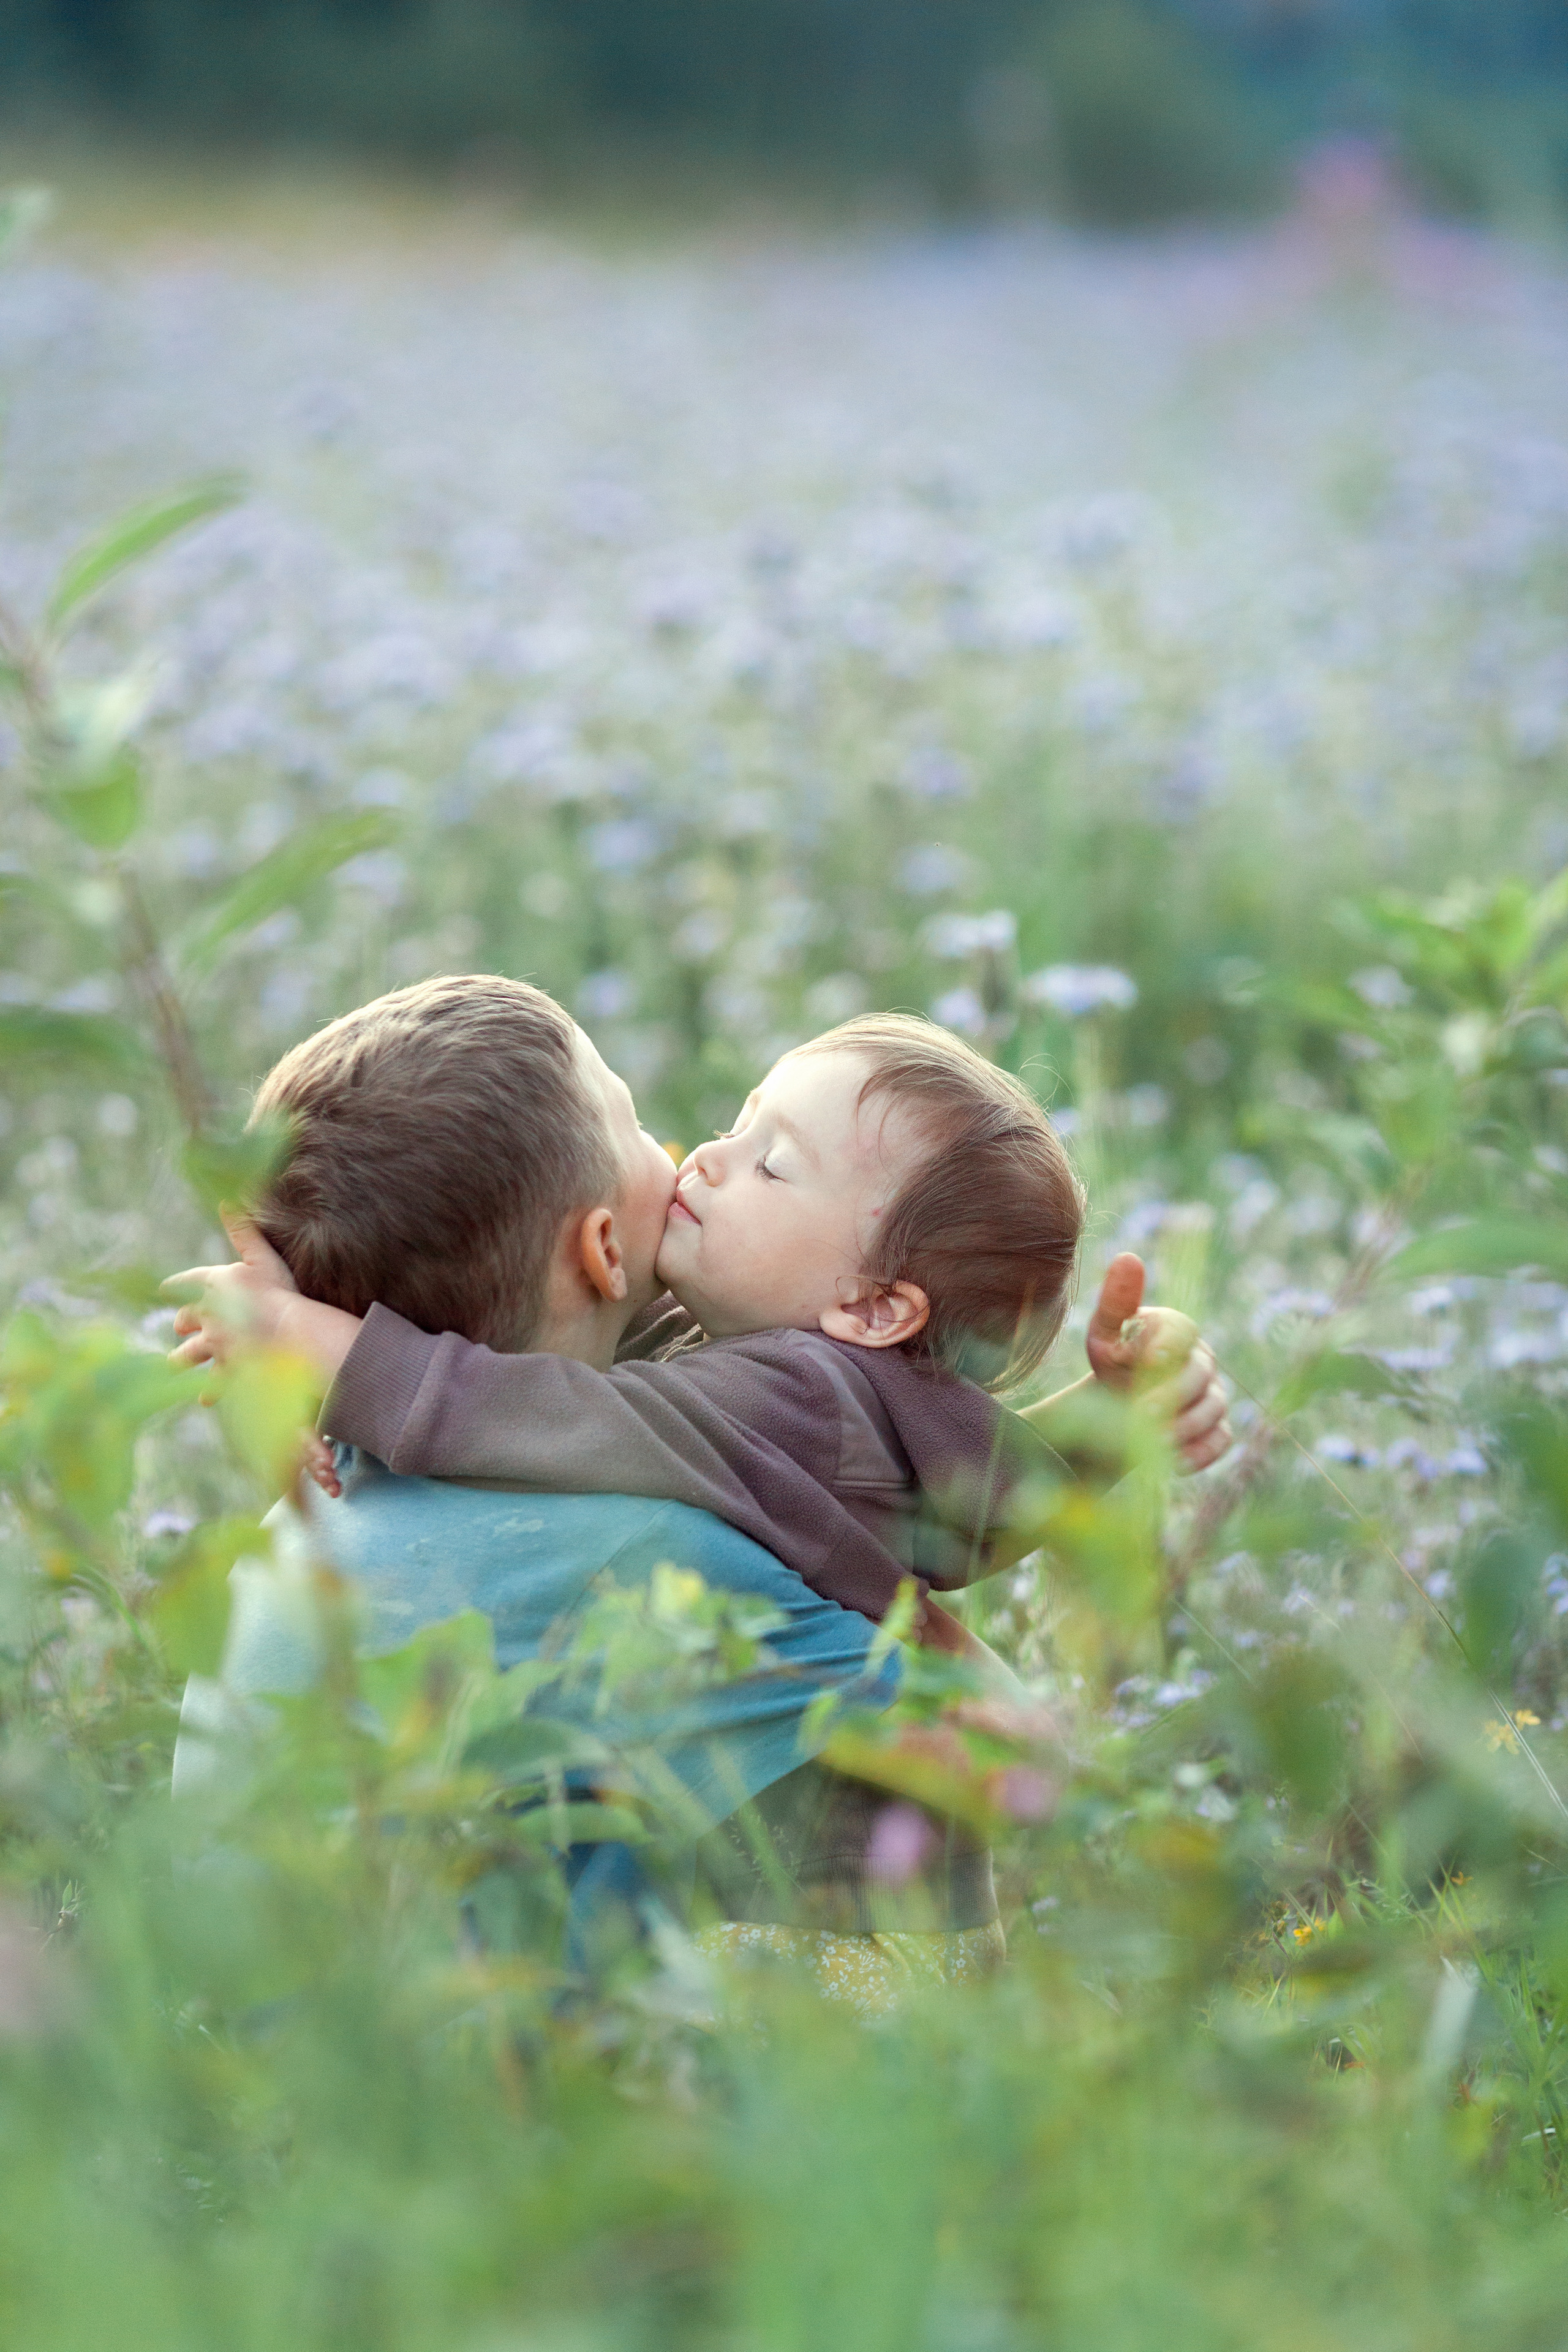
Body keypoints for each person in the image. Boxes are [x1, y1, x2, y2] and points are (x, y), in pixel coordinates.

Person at [171, 978, 1229, 2002]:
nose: (701, 1158)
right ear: (599, 1247)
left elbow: (536, 1415)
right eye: (724, 1124)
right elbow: (971, 1503)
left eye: (769, 1166)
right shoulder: (744, 1379)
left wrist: (329, 1344)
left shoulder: (796, 1392)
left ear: (869, 1307)